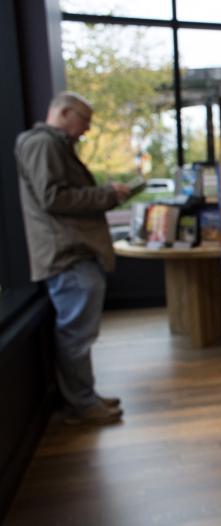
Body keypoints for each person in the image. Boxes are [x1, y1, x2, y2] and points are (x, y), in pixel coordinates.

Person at [15, 92, 130, 425]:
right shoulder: (43, 144)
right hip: (68, 253)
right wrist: (108, 195)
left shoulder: (51, 145)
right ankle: (81, 403)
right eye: (85, 121)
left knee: (79, 333)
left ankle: (84, 396)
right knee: (76, 335)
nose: (86, 130)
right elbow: (54, 197)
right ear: (64, 113)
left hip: (71, 252)